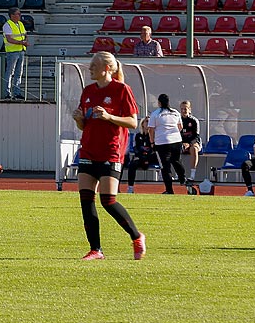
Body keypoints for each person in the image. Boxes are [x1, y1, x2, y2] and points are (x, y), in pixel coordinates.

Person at [71, 51, 146, 261]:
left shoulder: (122, 90)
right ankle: (96, 250)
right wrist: (78, 119)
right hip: (88, 149)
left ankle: (136, 236)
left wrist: (109, 116)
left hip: (111, 151)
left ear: (106, 68)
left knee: (108, 200)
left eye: (93, 65)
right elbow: (84, 123)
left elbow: (132, 122)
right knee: (86, 200)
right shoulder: (87, 91)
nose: (89, 68)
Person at [144, 92, 186, 194]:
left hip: (162, 143)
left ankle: (169, 189)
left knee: (165, 166)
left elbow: (151, 130)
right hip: (176, 141)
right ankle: (182, 179)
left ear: (159, 103)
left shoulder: (155, 114)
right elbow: (180, 127)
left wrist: (152, 142)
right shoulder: (175, 112)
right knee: (176, 161)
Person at [1, 7, 29, 100]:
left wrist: (25, 41)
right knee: (10, 72)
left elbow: (25, 35)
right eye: (18, 14)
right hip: (12, 51)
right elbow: (9, 39)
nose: (19, 15)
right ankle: (7, 93)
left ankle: (17, 92)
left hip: (21, 50)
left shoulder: (20, 24)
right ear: (12, 15)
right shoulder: (7, 25)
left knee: (18, 73)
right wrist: (22, 42)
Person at [178, 99, 202, 182]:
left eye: (185, 109)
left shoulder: (194, 120)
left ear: (189, 109)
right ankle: (179, 174)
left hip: (193, 142)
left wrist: (189, 143)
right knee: (175, 149)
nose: (183, 111)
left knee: (194, 149)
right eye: (181, 109)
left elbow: (196, 136)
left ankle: (192, 175)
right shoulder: (178, 120)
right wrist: (182, 143)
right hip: (183, 142)